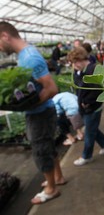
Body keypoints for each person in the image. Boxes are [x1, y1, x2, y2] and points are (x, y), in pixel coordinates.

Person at [0, 21, 66, 204]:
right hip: (42, 111)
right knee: (48, 146)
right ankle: (58, 178)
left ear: (5, 36)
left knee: (41, 151)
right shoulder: (25, 54)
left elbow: (52, 88)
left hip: (40, 114)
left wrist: (28, 105)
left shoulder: (28, 57)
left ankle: (51, 189)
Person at [67, 47, 104, 166]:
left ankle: (87, 156)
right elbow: (78, 86)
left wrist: (87, 102)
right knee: (92, 128)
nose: (74, 65)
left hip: (93, 106)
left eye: (75, 62)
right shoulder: (79, 71)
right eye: (73, 63)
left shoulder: (94, 69)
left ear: (82, 59)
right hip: (84, 107)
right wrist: (77, 71)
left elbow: (99, 89)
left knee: (89, 132)